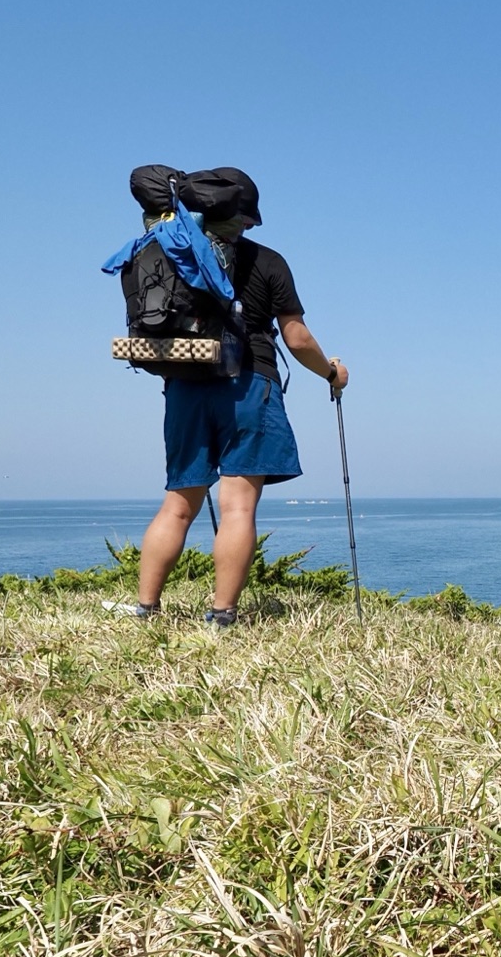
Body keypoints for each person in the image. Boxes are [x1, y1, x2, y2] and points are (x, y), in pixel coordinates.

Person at [106, 168, 349, 626]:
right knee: (238, 505)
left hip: (184, 385)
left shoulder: (168, 252)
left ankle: (146, 609)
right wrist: (333, 373)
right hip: (247, 384)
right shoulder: (268, 261)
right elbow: (296, 339)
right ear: (241, 215)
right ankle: (221, 615)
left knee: (178, 504)